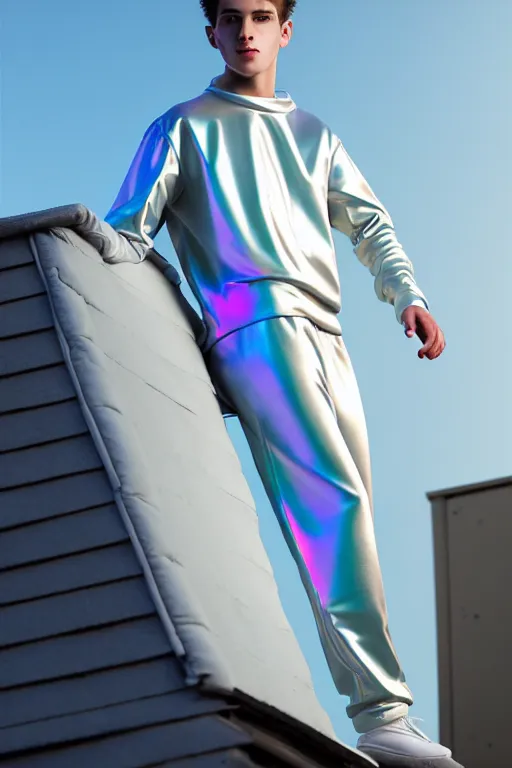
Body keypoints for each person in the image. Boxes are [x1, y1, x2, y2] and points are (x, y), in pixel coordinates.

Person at [91, 1, 461, 765]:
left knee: (349, 502)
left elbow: (369, 223)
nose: (248, 30)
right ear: (213, 33)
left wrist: (410, 296)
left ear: (286, 30)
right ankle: (384, 715)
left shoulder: (313, 134)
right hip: (254, 329)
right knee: (334, 501)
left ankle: (383, 712)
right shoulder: (183, 126)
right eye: (232, 17)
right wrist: (175, 339)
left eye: (263, 15)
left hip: (329, 333)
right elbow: (126, 233)